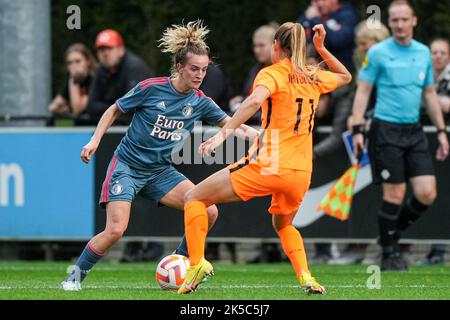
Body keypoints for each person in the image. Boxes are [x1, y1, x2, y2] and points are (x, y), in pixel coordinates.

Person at [60, 20, 258, 291]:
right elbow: (113, 110)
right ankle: (73, 279)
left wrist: (261, 137)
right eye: (194, 69)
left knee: (208, 211)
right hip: (127, 166)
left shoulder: (200, 101)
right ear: (179, 67)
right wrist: (95, 140)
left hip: (160, 172)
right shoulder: (151, 88)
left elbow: (233, 124)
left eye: (204, 69)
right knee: (116, 230)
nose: (200, 75)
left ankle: (179, 262)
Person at [177, 22, 352, 295]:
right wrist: (321, 48)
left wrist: (223, 135)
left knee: (195, 198)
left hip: (271, 162)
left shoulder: (271, 73)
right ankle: (306, 276)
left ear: (277, 47)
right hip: (301, 170)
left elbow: (253, 102)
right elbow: (346, 77)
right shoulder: (312, 76)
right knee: (284, 225)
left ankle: (196, 263)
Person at [351, 0, 449, 272]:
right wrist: (358, 129)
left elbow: (429, 93)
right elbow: (363, 90)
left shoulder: (423, 53)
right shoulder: (378, 52)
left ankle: (389, 235)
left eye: (404, 19)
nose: (399, 24)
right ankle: (389, 253)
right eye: (394, 20)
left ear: (414, 21)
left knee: (427, 192)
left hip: (414, 130)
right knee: (395, 194)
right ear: (390, 22)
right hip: (385, 130)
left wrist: (441, 131)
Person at [298, 0, 359, 263]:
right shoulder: (300, 82)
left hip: (328, 152)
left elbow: (338, 37)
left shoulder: (346, 14)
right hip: (306, 157)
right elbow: (297, 36)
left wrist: (307, 153)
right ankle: (322, 249)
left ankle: (342, 248)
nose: (315, 3)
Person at [327, 20, 391, 266]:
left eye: (367, 44)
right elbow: (358, 94)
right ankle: (357, 246)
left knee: (389, 192)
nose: (362, 48)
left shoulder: (388, 64)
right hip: (360, 135)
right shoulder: (361, 63)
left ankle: (393, 247)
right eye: (360, 44)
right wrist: (357, 122)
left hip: (387, 131)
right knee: (360, 191)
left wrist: (370, 118)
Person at [416, 38, 450, 265]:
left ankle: (440, 248)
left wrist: (428, 97)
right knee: (430, 194)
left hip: (444, 139)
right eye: (433, 52)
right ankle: (434, 250)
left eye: (442, 53)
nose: (437, 56)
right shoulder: (422, 73)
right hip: (427, 142)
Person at [81, 29, 153, 125]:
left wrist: (111, 108)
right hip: (118, 124)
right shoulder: (102, 69)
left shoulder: (134, 67)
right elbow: (91, 107)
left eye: (109, 49)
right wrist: (117, 107)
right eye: (101, 50)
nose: (105, 54)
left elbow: (131, 107)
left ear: (121, 50)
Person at [229, 23, 279, 125]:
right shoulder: (255, 69)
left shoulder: (280, 71)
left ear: (275, 45)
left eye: (261, 45)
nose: (257, 50)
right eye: (255, 46)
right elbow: (250, 96)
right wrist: (241, 100)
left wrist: (243, 112)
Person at [48, 43, 97, 124]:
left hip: (94, 125)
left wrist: (73, 80)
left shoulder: (94, 79)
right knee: (51, 121)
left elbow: (78, 110)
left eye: (78, 61)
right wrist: (60, 108)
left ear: (88, 62)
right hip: (76, 124)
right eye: (70, 63)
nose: (74, 66)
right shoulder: (68, 79)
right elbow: (53, 106)